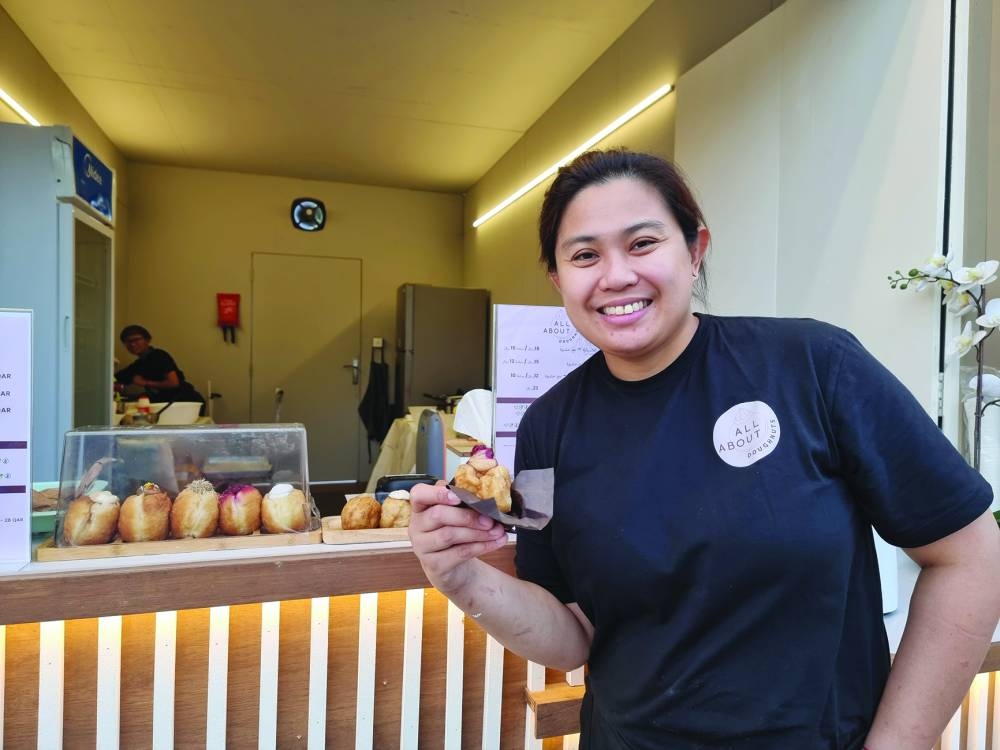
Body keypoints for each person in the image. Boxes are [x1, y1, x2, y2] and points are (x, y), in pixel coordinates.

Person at [408, 149, 1000, 749]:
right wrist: (460, 579)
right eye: (585, 255)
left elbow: (970, 554)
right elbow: (571, 631)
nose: (615, 276)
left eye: (642, 243)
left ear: (695, 250)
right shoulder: (545, 427)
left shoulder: (813, 366)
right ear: (560, 280)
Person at [114, 325, 205, 408]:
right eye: (128, 342)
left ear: (147, 340)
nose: (132, 344)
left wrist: (145, 382)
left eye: (136, 339)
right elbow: (116, 378)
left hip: (185, 401)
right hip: (171, 403)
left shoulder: (159, 355)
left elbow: (174, 382)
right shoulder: (139, 364)